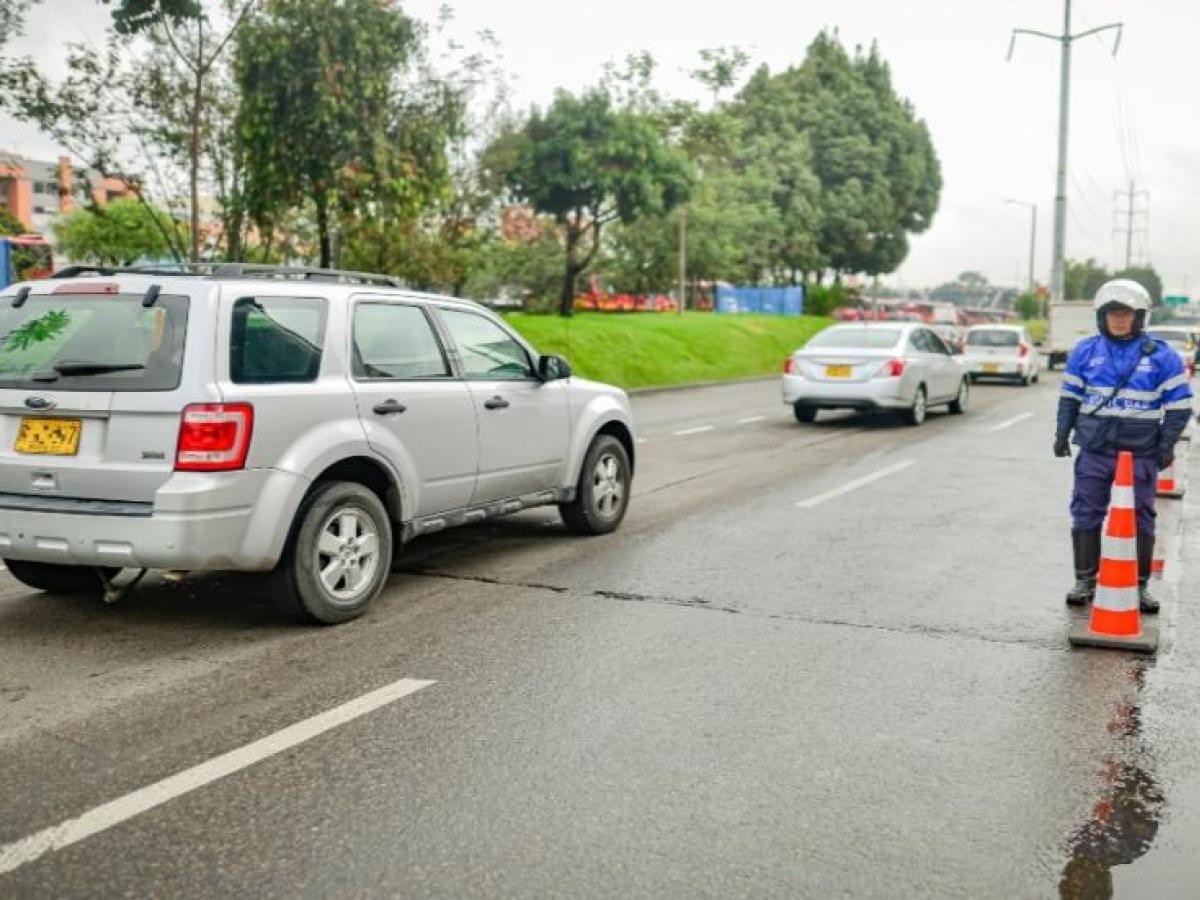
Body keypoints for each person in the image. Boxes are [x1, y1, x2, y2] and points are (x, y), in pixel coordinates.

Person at [1055, 279, 1193, 613]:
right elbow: (1070, 398)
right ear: (1101, 316)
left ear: (1139, 316)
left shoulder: (1162, 356)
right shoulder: (1085, 351)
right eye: (1113, 313)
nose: (1119, 319)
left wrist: (1165, 446)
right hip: (1095, 448)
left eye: (1126, 314)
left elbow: (1179, 406)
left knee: (1142, 517)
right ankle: (1085, 580)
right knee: (1085, 511)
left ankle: (1139, 586)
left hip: (1140, 453)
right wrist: (1062, 433)